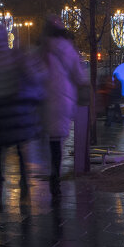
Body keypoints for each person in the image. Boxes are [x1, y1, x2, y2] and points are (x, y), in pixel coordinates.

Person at [0, 21, 40, 200]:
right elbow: (30, 75)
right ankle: (24, 181)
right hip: (15, 107)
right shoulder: (15, 55)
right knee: (21, 147)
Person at [37, 17, 86, 199]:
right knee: (59, 139)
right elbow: (79, 75)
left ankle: (50, 170)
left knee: (51, 138)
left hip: (45, 98)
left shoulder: (41, 50)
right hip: (65, 98)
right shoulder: (69, 49)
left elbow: (36, 73)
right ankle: (55, 175)